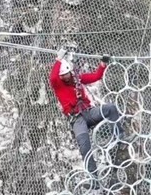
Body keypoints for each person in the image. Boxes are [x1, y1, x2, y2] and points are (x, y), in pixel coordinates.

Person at [49, 49, 123, 177]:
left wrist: (103, 64)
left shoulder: (77, 79)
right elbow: (53, 77)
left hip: (88, 113)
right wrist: (58, 59)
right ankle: (93, 177)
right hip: (77, 120)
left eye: (67, 74)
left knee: (111, 108)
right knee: (84, 147)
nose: (65, 77)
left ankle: (120, 137)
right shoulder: (58, 85)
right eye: (63, 76)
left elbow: (96, 76)